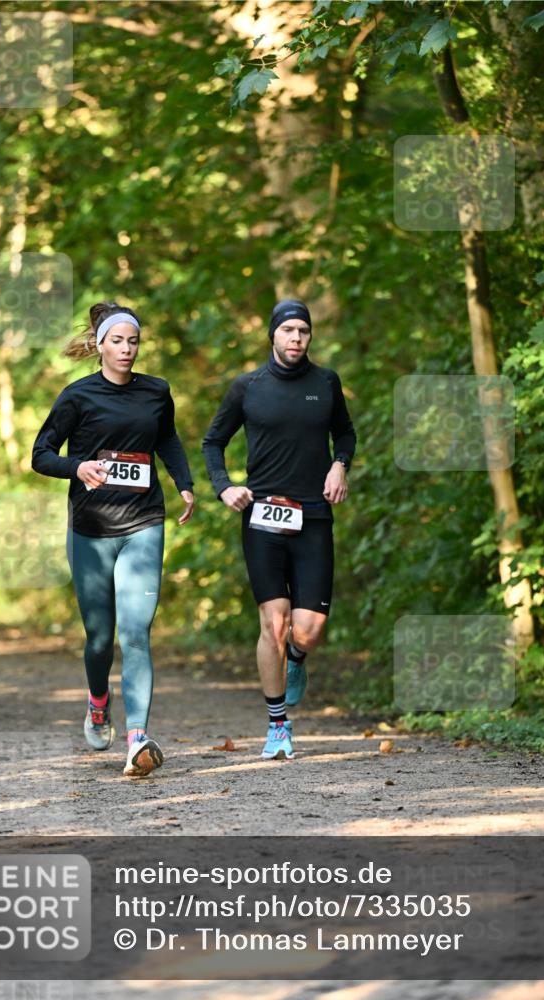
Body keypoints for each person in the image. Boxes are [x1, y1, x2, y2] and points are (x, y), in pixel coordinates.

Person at [32, 301, 194, 778]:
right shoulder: (77, 396)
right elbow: (41, 455)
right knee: (100, 638)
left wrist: (183, 482)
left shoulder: (156, 392)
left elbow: (167, 439)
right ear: (99, 344)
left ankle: (137, 737)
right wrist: (76, 467)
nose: (126, 349)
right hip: (91, 530)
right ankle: (98, 701)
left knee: (136, 633)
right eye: (117, 341)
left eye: (133, 341)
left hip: (144, 522)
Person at [202, 299, 356, 760]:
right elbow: (213, 442)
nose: (295, 338)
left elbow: (345, 434)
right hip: (263, 516)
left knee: (306, 631)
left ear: (310, 338)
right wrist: (224, 488)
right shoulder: (247, 387)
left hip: (314, 515)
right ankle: (277, 727)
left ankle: (298, 660)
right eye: (288, 330)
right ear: (272, 334)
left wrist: (339, 465)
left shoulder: (325, 382)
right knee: (275, 621)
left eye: (303, 332)